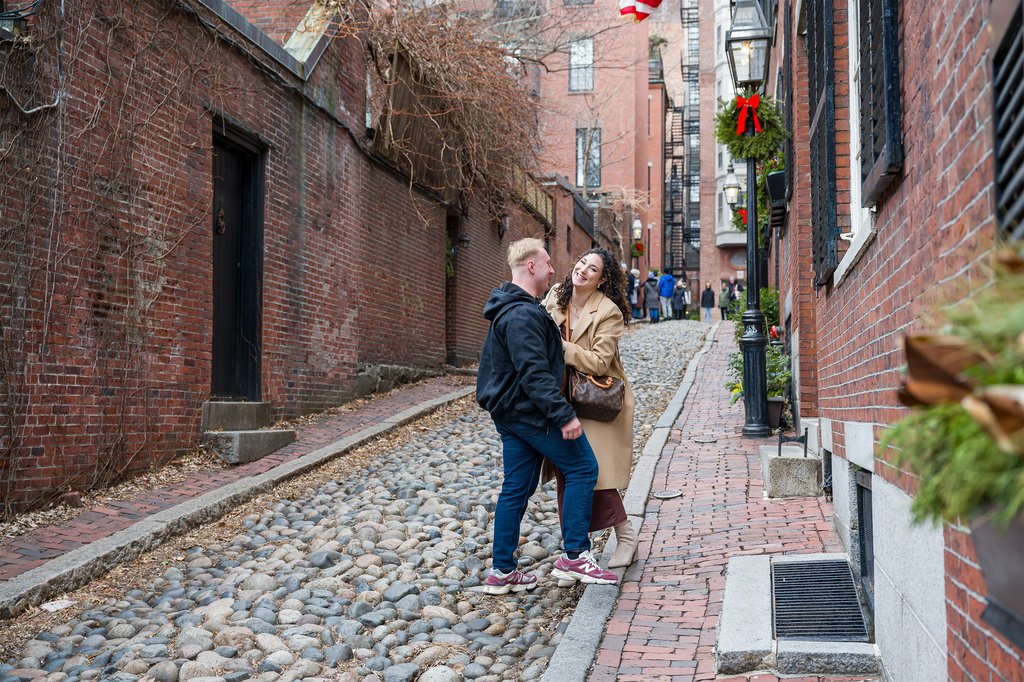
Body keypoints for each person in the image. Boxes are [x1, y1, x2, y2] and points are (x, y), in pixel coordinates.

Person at [476, 238, 617, 594]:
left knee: (516, 488)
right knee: (583, 467)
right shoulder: (522, 314)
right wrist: (564, 416)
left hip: (512, 414)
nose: (554, 270)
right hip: (531, 414)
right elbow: (534, 374)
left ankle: (502, 571)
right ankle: (575, 555)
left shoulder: (515, 307)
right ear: (531, 266)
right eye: (548, 263)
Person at [543, 248, 639, 569]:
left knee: (592, 471)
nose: (582, 270)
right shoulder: (557, 294)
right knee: (568, 471)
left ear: (602, 280)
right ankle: (577, 546)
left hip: (593, 399)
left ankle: (625, 537)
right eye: (582, 262)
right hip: (559, 397)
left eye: (592, 269)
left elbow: (599, 362)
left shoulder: (608, 312)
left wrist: (560, 347)